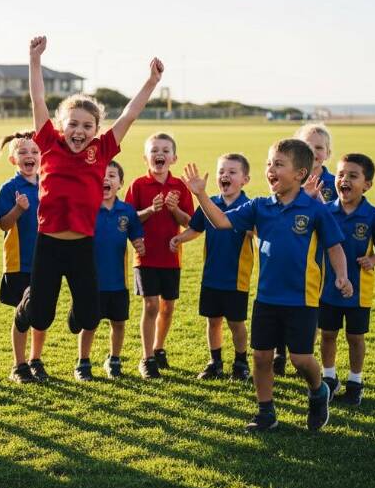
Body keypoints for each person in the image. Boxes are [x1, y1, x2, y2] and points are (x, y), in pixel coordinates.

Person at [11, 36, 163, 383]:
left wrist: (152, 82)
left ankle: (71, 310)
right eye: (73, 124)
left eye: (87, 125)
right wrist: (34, 61)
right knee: (39, 318)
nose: (79, 131)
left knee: (90, 318)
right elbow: (38, 98)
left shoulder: (103, 149)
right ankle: (28, 305)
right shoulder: (49, 143)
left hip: (82, 245)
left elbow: (130, 113)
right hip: (49, 244)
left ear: (96, 129)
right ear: (61, 127)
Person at [183, 139, 353, 432]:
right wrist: (200, 195)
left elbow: (334, 245)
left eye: (278, 164)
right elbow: (221, 222)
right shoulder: (260, 206)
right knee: (261, 357)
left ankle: (318, 390)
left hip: (302, 298)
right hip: (266, 297)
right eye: (268, 163)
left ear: (300, 173)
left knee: (300, 359)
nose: (270, 169)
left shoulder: (315, 210)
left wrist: (342, 275)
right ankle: (266, 412)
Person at [169, 154, 253, 382]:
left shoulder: (248, 208)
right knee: (212, 320)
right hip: (211, 277)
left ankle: (241, 362)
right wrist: (180, 239)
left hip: (237, 279)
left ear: (245, 179)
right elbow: (196, 228)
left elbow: (258, 232)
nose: (225, 175)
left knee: (236, 323)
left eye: (232, 172)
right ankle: (215, 362)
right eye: (221, 171)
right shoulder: (210, 203)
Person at [318, 154, 375, 405]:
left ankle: (355, 381)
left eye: (352, 175)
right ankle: (328, 377)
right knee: (327, 333)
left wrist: (373, 260)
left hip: (360, 290)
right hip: (327, 288)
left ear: (367, 184)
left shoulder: (373, 216)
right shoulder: (326, 211)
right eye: (340, 175)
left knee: (355, 337)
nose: (344, 179)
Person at [68, 161, 145, 380]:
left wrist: (139, 242)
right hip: (92, 281)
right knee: (89, 324)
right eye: (101, 175)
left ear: (120, 183)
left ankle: (114, 359)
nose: (105, 179)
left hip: (118, 282)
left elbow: (136, 233)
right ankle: (83, 362)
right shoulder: (86, 209)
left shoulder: (127, 211)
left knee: (118, 323)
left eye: (111, 175)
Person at [125, 133, 194, 378]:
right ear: (146, 157)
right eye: (154, 150)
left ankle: (159, 347)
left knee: (167, 307)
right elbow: (128, 220)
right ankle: (147, 358)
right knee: (151, 305)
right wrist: (150, 209)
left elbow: (190, 224)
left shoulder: (180, 187)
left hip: (171, 257)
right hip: (145, 257)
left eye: (165, 150)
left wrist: (174, 209)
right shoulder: (138, 185)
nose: (160, 154)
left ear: (173, 158)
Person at [275, 123, 338, 373]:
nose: (314, 151)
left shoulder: (334, 182)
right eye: (308, 146)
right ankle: (279, 353)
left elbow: (333, 217)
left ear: (328, 153)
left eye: (319, 147)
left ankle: (304, 354)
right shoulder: (289, 177)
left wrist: (316, 198)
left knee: (311, 307)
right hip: (288, 253)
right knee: (280, 301)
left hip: (319, 255)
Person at [0, 131, 45, 384]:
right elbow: (3, 224)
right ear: (13, 159)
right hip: (19, 262)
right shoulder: (9, 188)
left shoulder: (47, 184)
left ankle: (36, 360)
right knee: (22, 314)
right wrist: (18, 208)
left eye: (35, 152)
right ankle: (19, 364)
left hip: (46, 260)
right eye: (23, 152)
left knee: (41, 313)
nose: (30, 156)